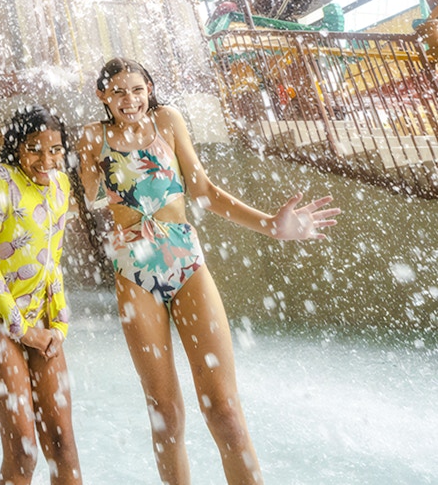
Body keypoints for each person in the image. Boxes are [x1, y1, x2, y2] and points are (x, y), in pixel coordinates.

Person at [76, 58, 339, 485]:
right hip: (132, 269)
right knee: (165, 413)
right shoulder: (92, 136)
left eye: (138, 89)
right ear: (103, 96)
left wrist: (272, 225)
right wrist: (97, 178)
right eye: (119, 92)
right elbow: (91, 199)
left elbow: (203, 191)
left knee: (225, 411)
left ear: (150, 88)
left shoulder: (168, 120)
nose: (130, 100)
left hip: (184, 259)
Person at [0, 105, 82, 485]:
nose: (46, 159)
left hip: (41, 320)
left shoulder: (62, 187)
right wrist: (20, 328)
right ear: (16, 146)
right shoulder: (0, 182)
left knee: (63, 444)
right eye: (35, 148)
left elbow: (54, 260)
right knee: (23, 449)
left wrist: (60, 324)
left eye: (55, 149)